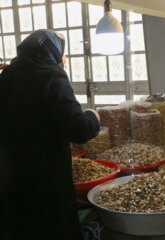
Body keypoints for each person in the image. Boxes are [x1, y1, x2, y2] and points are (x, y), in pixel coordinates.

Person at [0, 30, 100, 240]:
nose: (63, 59)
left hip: (12, 179)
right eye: (61, 53)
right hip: (46, 183)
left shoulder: (6, 76)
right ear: (51, 51)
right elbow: (79, 129)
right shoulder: (51, 75)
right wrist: (93, 117)